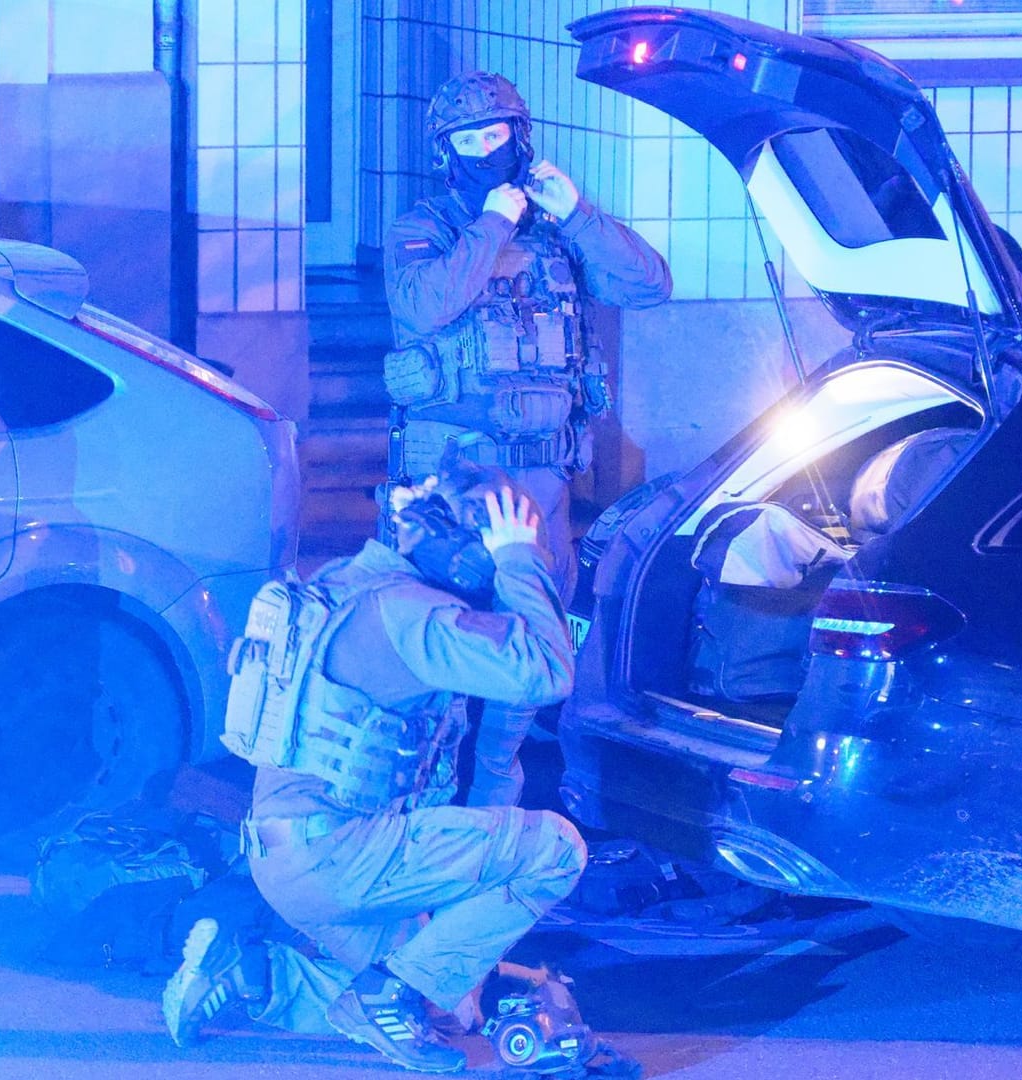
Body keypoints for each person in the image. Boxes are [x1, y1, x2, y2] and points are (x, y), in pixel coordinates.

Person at [162, 464, 586, 1074]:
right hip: (340, 855)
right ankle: (385, 998)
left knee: (455, 1007)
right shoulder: (416, 617)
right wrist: (521, 558)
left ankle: (253, 975)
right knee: (556, 850)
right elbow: (546, 669)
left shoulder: (348, 582)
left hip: (283, 858)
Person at [383, 70, 670, 808]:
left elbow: (647, 286)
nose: (487, 149)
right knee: (448, 641)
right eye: (470, 139)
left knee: (532, 639)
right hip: (456, 478)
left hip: (544, 480)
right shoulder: (426, 227)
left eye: (498, 134)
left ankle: (496, 801)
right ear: (446, 151)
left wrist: (577, 215)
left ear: (521, 136)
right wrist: (491, 224)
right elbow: (424, 305)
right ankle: (428, 804)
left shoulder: (556, 231)